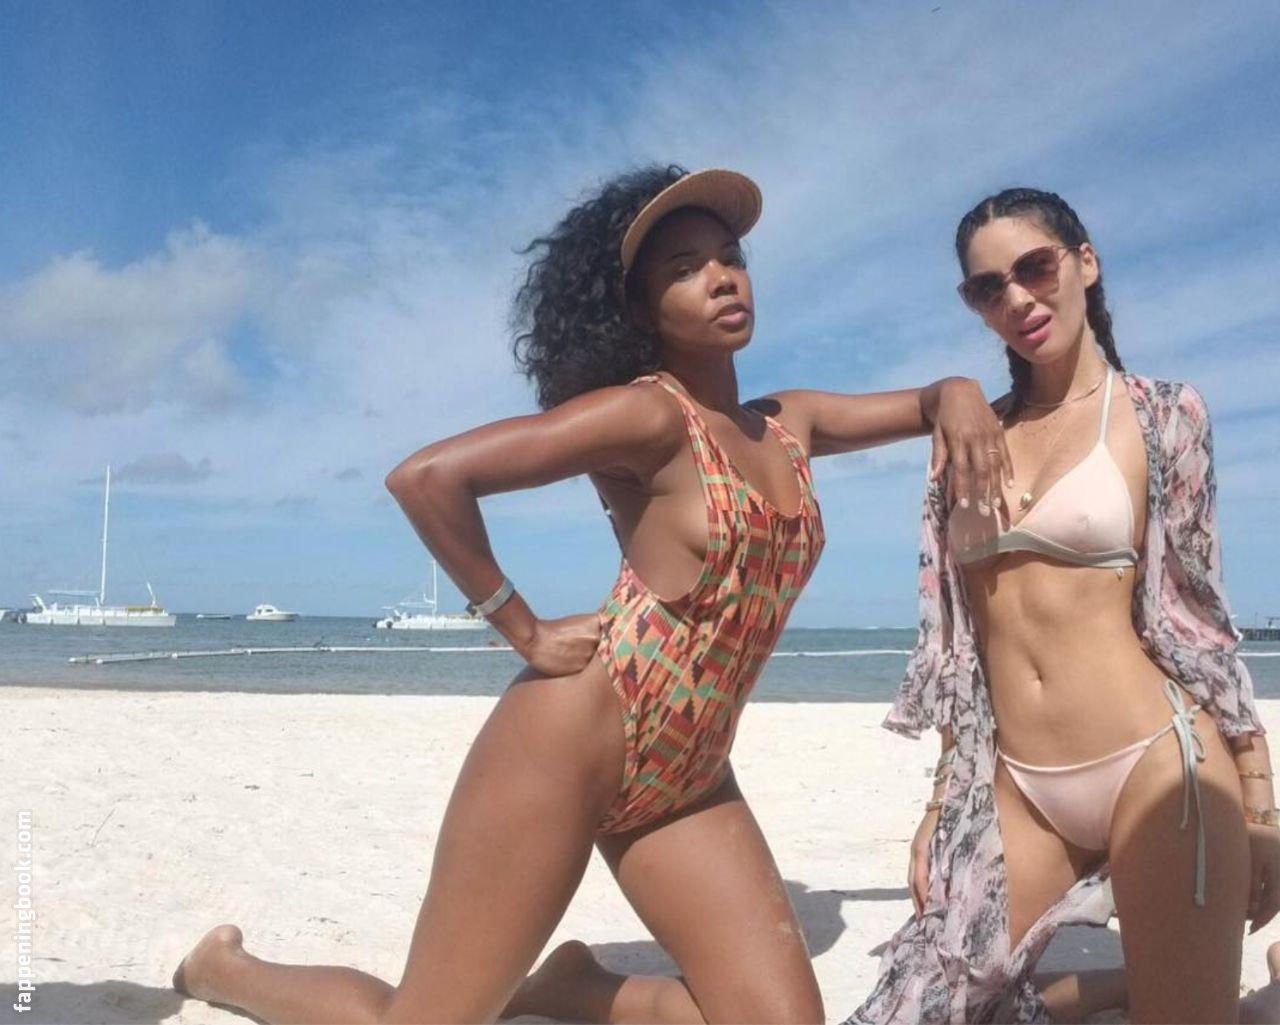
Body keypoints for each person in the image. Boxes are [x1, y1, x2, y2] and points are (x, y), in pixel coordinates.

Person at [171, 165, 1008, 1024]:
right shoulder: (648, 416)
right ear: (639, 310)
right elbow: (427, 478)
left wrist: (958, 390)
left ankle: (573, 985)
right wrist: (522, 626)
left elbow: (927, 404)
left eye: (730, 257)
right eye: (685, 267)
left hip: (691, 771)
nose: (722, 276)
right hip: (571, 741)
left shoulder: (789, 421)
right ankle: (224, 968)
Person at [848, 188, 1280, 1024]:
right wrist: (942, 803)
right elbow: (960, 647)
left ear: (1085, 261)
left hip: (1158, 763)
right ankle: (1129, 982)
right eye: (988, 288)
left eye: (1035, 267)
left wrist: (1260, 807)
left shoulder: (1162, 414)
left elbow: (1197, 620)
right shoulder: (966, 437)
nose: (1016, 298)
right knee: (916, 1008)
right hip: (1018, 786)